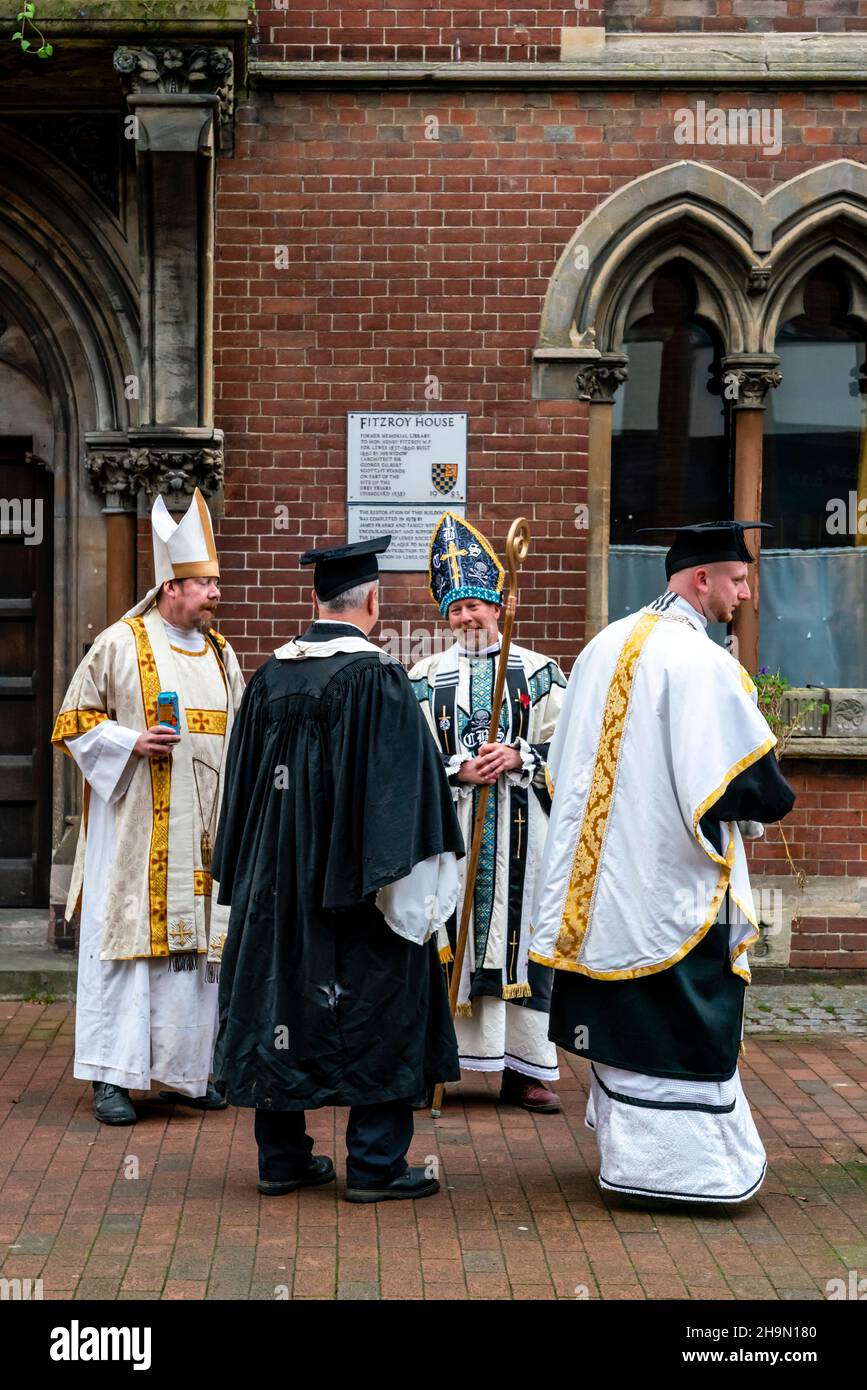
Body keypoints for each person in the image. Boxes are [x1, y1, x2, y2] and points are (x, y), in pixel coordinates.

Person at [531, 521, 795, 1204]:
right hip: (669, 889)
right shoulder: (700, 662)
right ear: (700, 577)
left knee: (620, 1019)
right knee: (678, 1023)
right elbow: (753, 788)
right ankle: (687, 1174)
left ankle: (627, 1156)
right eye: (737, 580)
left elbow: (562, 772)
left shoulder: (601, 645)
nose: (745, 594)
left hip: (601, 891)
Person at [211, 535, 464, 1203]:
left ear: (314, 598)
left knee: (281, 1002)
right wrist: (409, 882)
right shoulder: (377, 679)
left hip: (275, 886)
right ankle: (376, 1165)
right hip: (354, 889)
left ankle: (282, 1158)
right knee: (381, 1002)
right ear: (373, 601)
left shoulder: (270, 674)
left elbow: (239, 787)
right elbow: (400, 793)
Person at [51, 489, 246, 1125]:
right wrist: (130, 741)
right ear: (170, 588)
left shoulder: (222, 654)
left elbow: (239, 734)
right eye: (205, 584)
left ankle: (184, 1074)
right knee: (127, 950)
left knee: (193, 960)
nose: (216, 593)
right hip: (136, 829)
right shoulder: (119, 643)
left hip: (203, 834)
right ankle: (112, 1078)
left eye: (215, 582)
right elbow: (73, 724)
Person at [408, 512, 567, 1112]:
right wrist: (455, 769)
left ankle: (524, 1070)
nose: (468, 618)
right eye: (456, 609)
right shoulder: (425, 677)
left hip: (524, 834)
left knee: (522, 937)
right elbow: (409, 759)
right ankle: (436, 1063)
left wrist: (523, 754)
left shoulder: (541, 673)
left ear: (499, 605)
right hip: (455, 833)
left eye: (477, 605)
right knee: (442, 934)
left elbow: (576, 753)